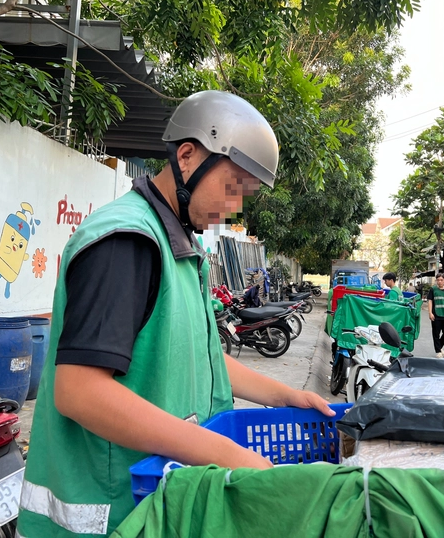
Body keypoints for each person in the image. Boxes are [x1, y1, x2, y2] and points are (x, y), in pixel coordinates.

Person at [17, 91, 334, 537]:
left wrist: (284, 397)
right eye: (233, 186)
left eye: (246, 194)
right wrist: (224, 453)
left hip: (160, 504)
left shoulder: (182, 248)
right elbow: (80, 392)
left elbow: (199, 356)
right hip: (107, 514)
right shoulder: (127, 242)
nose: (235, 206)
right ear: (187, 156)